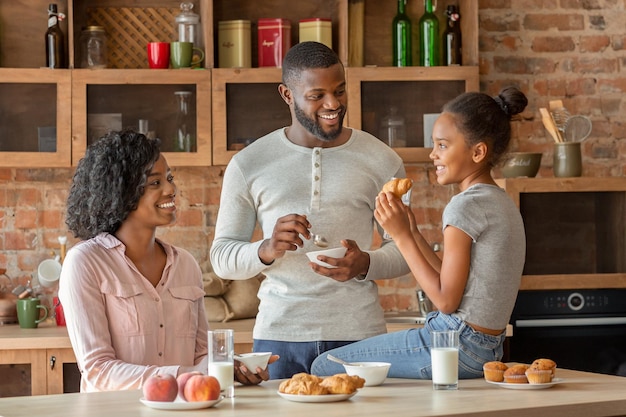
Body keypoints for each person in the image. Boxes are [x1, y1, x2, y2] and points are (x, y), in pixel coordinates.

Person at [209, 41, 410, 379]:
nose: (333, 104)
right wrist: (266, 248)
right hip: (279, 338)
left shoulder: (382, 160)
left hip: (359, 336)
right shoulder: (249, 163)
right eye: (317, 96)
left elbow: (408, 250)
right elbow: (222, 258)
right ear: (287, 95)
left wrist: (366, 264)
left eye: (340, 91)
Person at [311, 87, 528, 379]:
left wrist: (399, 237)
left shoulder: (464, 206)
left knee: (325, 365)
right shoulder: (499, 200)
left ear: (477, 151)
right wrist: (411, 230)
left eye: (442, 145)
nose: (433, 154)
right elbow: (454, 282)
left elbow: (446, 301)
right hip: (487, 348)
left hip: (455, 343)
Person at [59, 130, 274, 392]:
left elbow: (201, 355)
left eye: (169, 179)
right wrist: (187, 375)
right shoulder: (85, 263)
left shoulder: (185, 264)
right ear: (121, 191)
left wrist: (231, 367)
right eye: (155, 183)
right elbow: (99, 370)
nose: (171, 189)